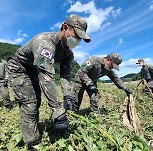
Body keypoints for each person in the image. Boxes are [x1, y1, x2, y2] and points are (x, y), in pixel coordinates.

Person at [6, 14, 90, 150]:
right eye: (76, 35)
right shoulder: (44, 42)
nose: (77, 40)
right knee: (30, 103)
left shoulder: (68, 54)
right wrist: (58, 111)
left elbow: (66, 75)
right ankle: (32, 142)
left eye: (80, 38)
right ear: (65, 28)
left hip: (34, 68)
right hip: (19, 69)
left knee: (36, 101)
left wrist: (68, 95)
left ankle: (33, 127)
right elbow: (46, 76)